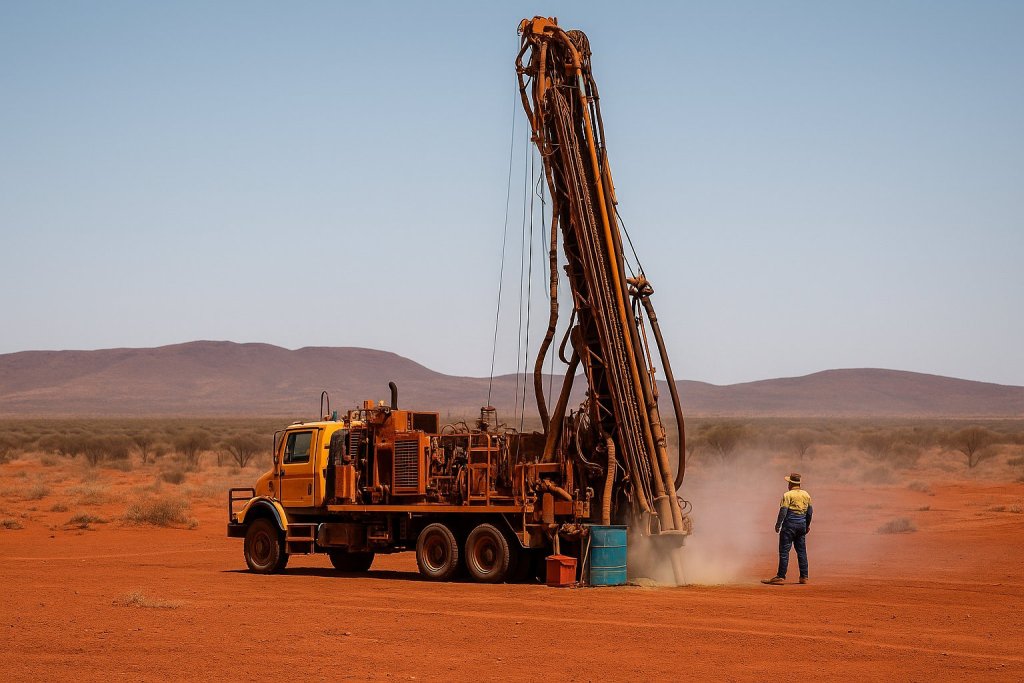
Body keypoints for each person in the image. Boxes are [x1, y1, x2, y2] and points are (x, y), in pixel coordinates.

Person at [761, 472, 812, 585]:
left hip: (789, 526)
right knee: (802, 552)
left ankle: (781, 576)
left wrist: (778, 524)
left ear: (790, 483)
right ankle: (804, 577)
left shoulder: (787, 495)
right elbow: (809, 512)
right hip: (801, 525)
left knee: (784, 552)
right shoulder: (806, 495)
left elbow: (783, 511)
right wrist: (807, 525)